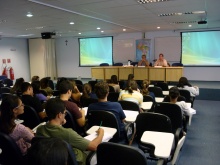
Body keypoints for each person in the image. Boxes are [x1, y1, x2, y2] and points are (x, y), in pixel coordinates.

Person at [36, 98, 104, 165]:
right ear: (59, 115)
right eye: (64, 113)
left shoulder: (39, 130)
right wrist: (101, 133)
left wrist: (60, 123)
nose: (64, 116)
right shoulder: (68, 133)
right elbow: (94, 146)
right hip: (79, 160)